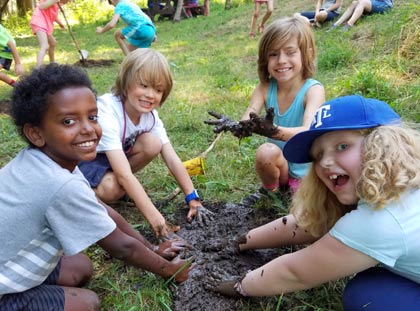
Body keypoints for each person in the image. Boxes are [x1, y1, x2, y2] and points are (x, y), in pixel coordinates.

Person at [0, 63, 193, 310]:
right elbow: (121, 247)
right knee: (88, 303)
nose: (88, 129)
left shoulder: (48, 161)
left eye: (92, 117)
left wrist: (153, 248)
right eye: (69, 121)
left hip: (8, 256)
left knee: (80, 266)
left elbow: (107, 213)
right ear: (36, 134)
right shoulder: (60, 185)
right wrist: (170, 271)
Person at [212, 95, 420, 310]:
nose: (326, 162)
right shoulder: (399, 188)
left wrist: (239, 286)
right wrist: (241, 241)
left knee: (367, 296)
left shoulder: (381, 221)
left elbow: (294, 273)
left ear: (384, 143)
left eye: (342, 146)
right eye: (318, 155)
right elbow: (308, 223)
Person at [79, 48, 212, 242]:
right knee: (114, 188)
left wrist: (193, 198)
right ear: (126, 83)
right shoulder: (108, 112)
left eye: (158, 90)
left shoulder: (151, 117)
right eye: (144, 86)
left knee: (153, 143)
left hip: (112, 157)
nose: (151, 95)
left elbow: (172, 159)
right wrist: (159, 223)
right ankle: (80, 194)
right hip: (84, 160)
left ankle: (118, 186)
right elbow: (124, 174)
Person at [206, 16, 325, 198]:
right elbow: (249, 115)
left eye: (290, 52)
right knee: (265, 152)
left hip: (307, 172)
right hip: (280, 163)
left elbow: (307, 133)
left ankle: (294, 190)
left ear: (306, 53)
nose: (281, 60)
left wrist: (273, 131)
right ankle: (272, 192)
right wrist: (235, 125)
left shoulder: (313, 90)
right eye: (273, 54)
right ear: (265, 58)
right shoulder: (265, 88)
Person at [30, 0, 68, 68]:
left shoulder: (56, 3)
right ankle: (38, 68)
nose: (67, 2)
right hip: (39, 22)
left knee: (53, 43)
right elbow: (41, 7)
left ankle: (52, 64)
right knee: (44, 46)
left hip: (44, 24)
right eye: (67, 1)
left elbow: (53, 15)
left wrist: (60, 23)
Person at [328, 0, 393, 31]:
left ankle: (349, 24)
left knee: (362, 2)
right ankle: (336, 24)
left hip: (385, 5)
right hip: (373, 3)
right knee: (354, 2)